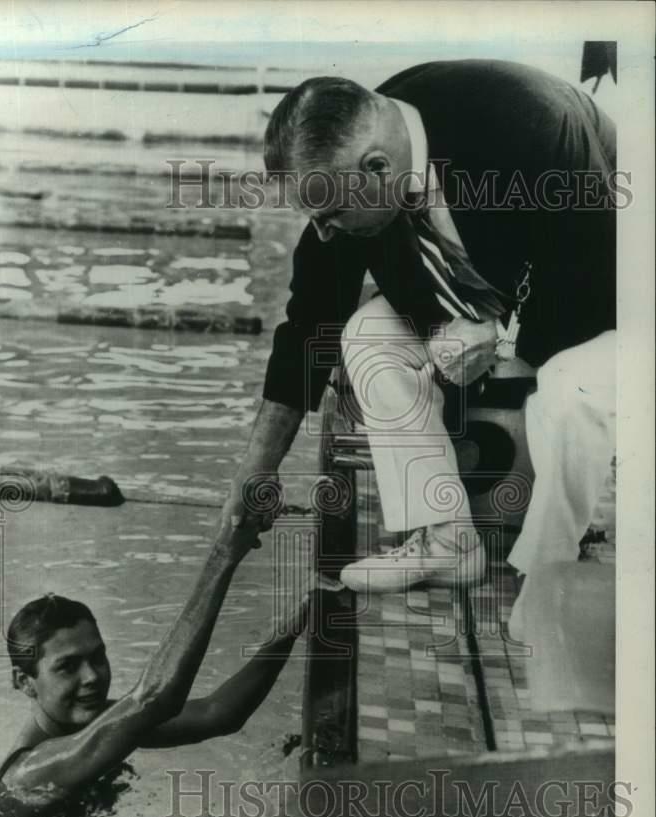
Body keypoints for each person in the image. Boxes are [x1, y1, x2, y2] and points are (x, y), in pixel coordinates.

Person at [220, 59, 616, 604]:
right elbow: (307, 324)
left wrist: (499, 331)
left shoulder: (531, 121)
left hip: (614, 280)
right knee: (363, 337)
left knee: (570, 392)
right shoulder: (353, 157)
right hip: (492, 286)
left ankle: (549, 567)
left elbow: (594, 284)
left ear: (379, 167)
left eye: (329, 214)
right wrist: (256, 472)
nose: (322, 233)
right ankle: (448, 540)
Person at [0, 519, 308, 815]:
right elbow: (156, 699)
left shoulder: (92, 725)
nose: (92, 677)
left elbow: (220, 713)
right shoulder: (30, 770)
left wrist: (295, 620)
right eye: (67, 666)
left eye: (97, 657)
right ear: (25, 681)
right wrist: (223, 554)